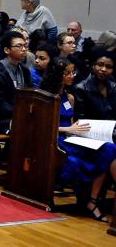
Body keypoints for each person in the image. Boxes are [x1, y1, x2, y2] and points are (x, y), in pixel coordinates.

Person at [41, 57, 116, 222]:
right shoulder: (44, 97)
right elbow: (41, 126)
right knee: (76, 160)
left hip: (71, 137)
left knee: (109, 148)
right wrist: (68, 129)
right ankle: (84, 199)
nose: (72, 75)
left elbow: (72, 122)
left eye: (73, 72)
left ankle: (92, 200)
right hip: (53, 138)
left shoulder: (70, 98)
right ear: (57, 74)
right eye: (67, 73)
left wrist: (78, 130)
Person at [74, 53, 116, 121]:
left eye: (108, 67)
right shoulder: (81, 88)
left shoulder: (114, 87)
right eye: (100, 65)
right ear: (93, 65)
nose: (104, 69)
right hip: (92, 128)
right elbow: (80, 117)